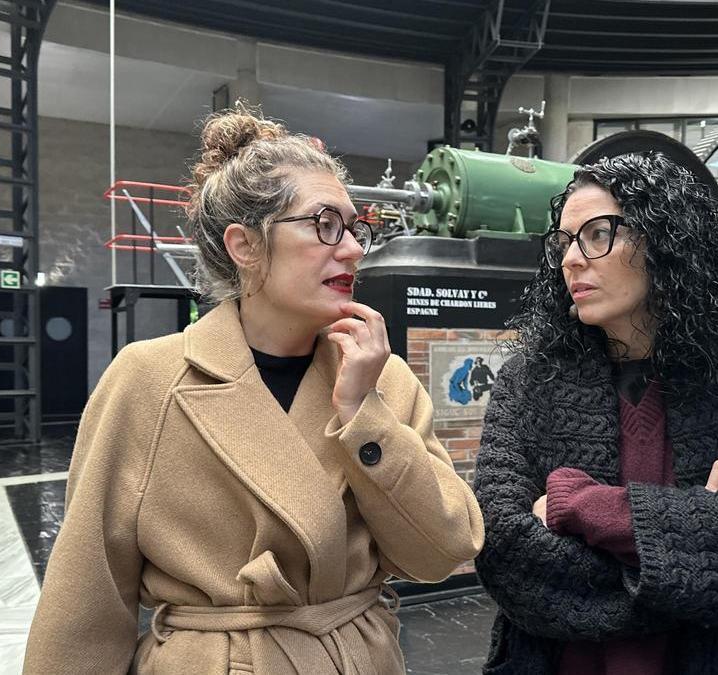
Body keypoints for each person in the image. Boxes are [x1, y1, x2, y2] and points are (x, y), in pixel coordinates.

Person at [24, 106, 484, 674]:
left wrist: (363, 415)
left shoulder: (380, 377)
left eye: (355, 227)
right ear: (245, 245)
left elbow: (442, 552)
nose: (355, 249)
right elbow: (86, 600)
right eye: (324, 225)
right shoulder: (149, 381)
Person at [473, 153, 718, 674]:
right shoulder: (528, 381)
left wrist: (581, 506)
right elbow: (501, 546)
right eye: (564, 242)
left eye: (597, 234)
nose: (573, 259)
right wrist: (701, 535)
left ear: (666, 240)